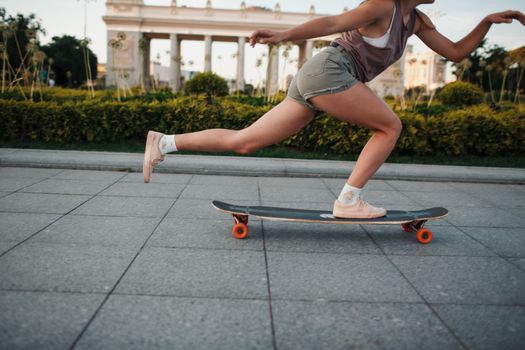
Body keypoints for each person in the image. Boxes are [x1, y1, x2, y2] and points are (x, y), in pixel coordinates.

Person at [143, 0, 524, 218]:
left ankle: (165, 143)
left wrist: (486, 23)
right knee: (390, 126)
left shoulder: (416, 20)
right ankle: (349, 201)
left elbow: (455, 52)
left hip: (323, 77)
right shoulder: (382, 6)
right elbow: (333, 21)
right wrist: (283, 36)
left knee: (245, 142)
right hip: (331, 70)